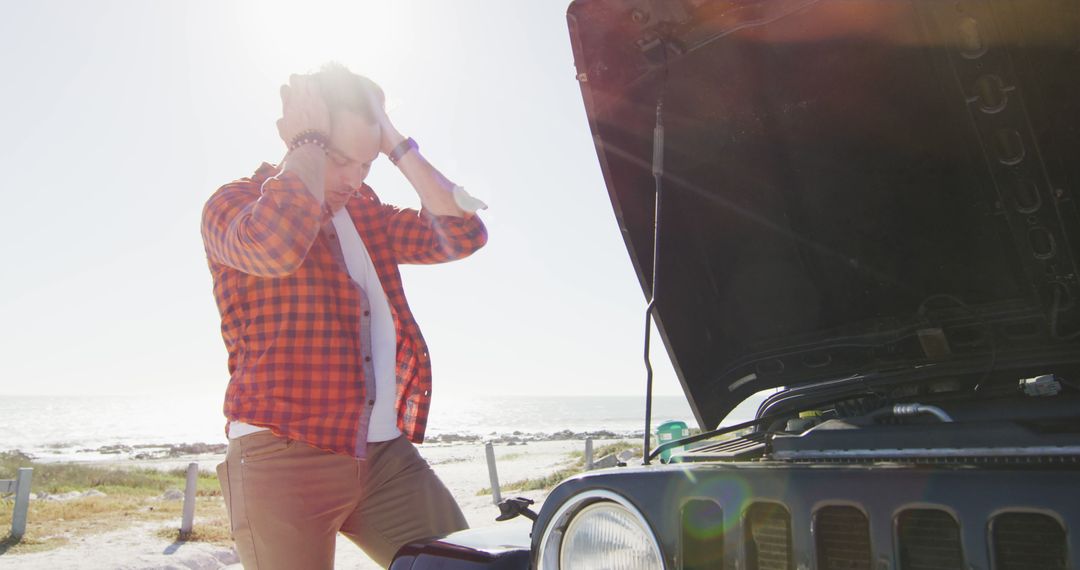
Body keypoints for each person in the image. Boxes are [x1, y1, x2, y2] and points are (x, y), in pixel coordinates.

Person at [200, 63, 488, 569]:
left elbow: (463, 232)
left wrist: (394, 143)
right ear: (297, 138)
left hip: (382, 456)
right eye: (338, 158)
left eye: (366, 165)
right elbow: (277, 246)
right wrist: (309, 141)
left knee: (466, 564)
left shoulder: (366, 213)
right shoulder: (234, 203)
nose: (354, 180)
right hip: (282, 456)